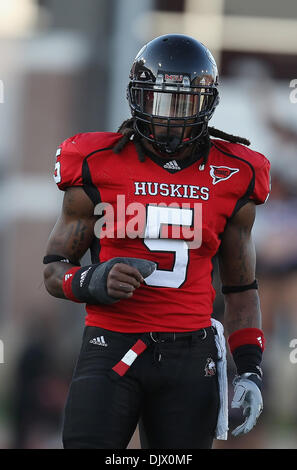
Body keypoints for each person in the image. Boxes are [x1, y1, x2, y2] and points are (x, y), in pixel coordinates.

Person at [43, 34, 270, 449]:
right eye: (159, 102)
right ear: (136, 99)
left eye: (184, 105)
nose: (170, 119)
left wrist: (251, 369)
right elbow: (53, 269)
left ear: (208, 104)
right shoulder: (98, 163)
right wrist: (92, 280)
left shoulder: (233, 173)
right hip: (112, 346)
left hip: (192, 359)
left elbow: (241, 288)